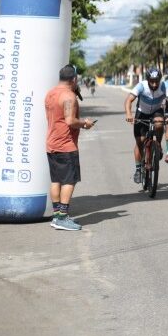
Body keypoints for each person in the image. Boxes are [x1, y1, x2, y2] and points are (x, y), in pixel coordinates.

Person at [45, 65, 95, 231]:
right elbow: (70, 121)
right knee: (69, 180)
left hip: (51, 143)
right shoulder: (69, 96)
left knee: (56, 180)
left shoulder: (50, 93)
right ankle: (62, 217)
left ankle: (56, 215)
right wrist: (85, 124)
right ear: (73, 79)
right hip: (66, 145)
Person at [125, 68, 168, 184]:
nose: (154, 84)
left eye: (156, 81)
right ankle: (138, 169)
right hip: (141, 113)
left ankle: (158, 144)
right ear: (148, 79)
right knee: (140, 142)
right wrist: (129, 114)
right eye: (152, 81)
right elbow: (129, 100)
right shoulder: (141, 86)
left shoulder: (164, 86)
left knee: (159, 122)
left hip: (156, 111)